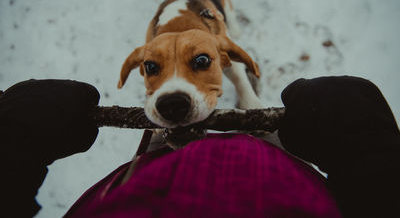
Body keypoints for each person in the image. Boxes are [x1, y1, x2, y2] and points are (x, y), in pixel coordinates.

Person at [1, 76, 399, 217]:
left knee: (160, 140)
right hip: (284, 174)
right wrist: (373, 157)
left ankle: (162, 145)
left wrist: (12, 143)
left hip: (141, 180)